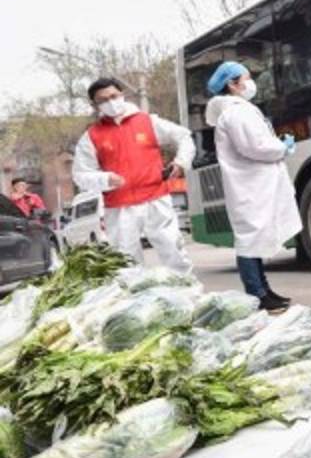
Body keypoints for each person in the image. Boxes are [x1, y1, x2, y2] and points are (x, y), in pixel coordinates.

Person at [73, 78, 194, 273]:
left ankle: (186, 288)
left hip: (156, 198)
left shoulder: (148, 121)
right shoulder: (92, 136)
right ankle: (136, 291)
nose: (111, 102)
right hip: (119, 207)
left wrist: (181, 162)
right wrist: (105, 179)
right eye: (103, 100)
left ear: (122, 95)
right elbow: (80, 174)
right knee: (126, 262)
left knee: (174, 251)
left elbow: (184, 136)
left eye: (113, 96)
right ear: (94, 105)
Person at [204, 61, 297, 314]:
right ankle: (257, 294)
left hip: (253, 184)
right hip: (250, 186)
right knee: (250, 240)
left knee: (255, 239)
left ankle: (264, 290)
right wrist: (282, 148)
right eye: (247, 78)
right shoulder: (235, 113)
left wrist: (277, 146)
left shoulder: (237, 110)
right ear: (233, 84)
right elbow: (254, 147)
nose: (251, 82)